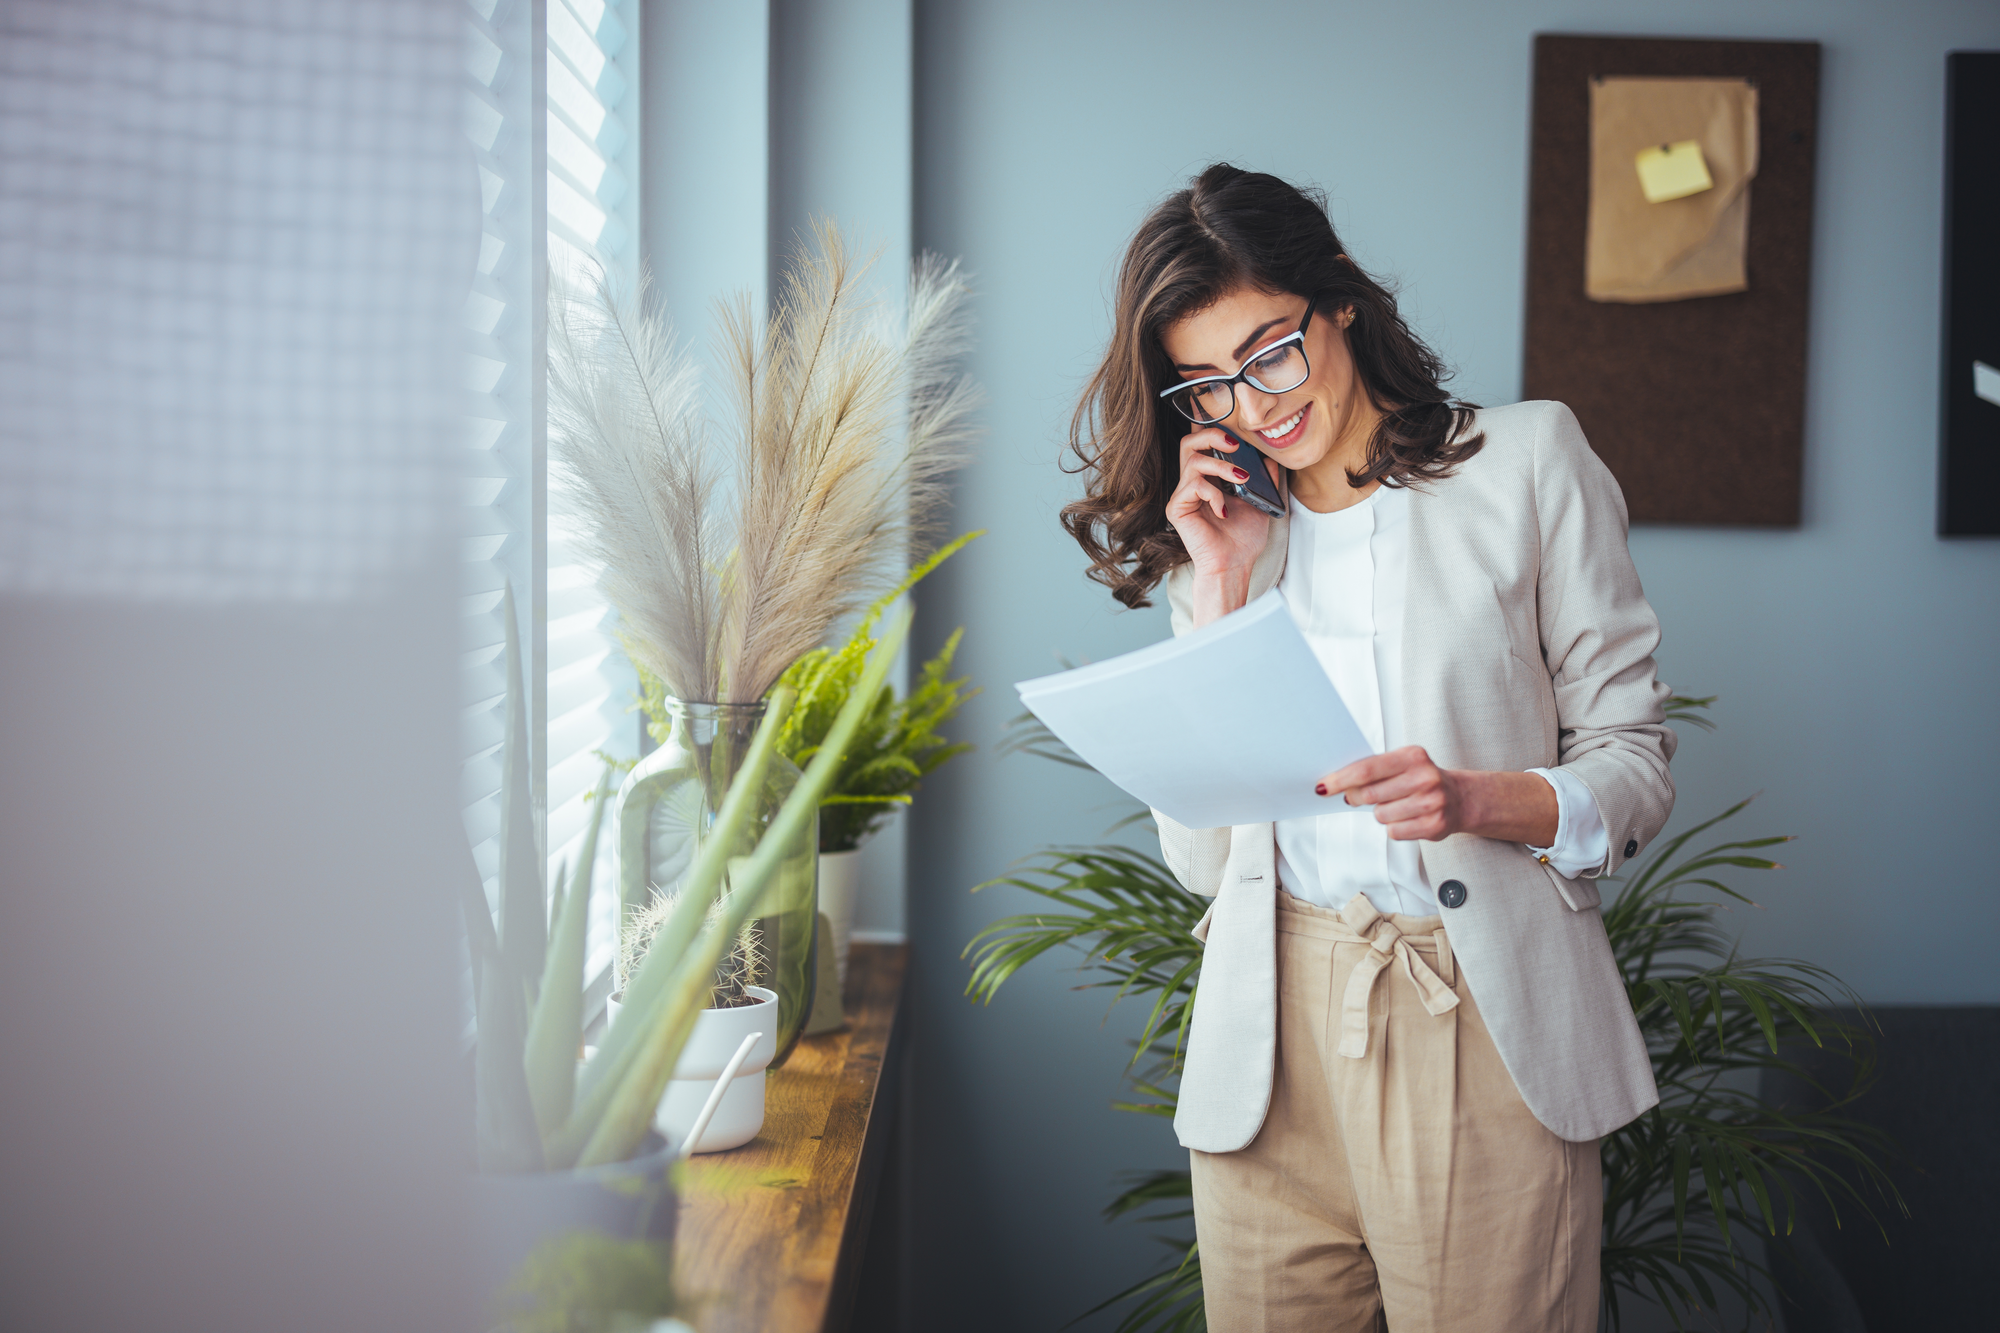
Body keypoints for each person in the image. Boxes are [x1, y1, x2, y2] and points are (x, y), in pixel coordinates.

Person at [1061, 163, 1675, 1333]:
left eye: (1269, 353)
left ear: (1336, 295)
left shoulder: (1527, 463)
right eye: (1207, 386)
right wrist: (1223, 583)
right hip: (1270, 1040)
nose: (1252, 408)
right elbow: (1202, 860)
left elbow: (1634, 762)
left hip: (1475, 1016)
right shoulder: (1227, 548)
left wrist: (1478, 799)